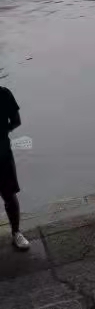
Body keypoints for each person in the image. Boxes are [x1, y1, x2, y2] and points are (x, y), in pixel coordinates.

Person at [0, 85, 30, 250]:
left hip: (2, 153)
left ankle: (16, 232)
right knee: (9, 195)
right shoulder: (3, 93)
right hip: (2, 150)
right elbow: (16, 121)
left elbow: (16, 120)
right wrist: (4, 132)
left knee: (9, 194)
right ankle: (16, 233)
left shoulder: (4, 94)